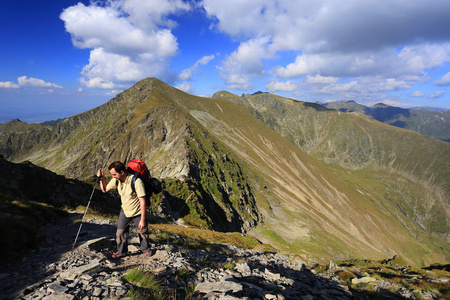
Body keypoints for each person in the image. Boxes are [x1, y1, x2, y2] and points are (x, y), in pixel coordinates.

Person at [97, 161, 152, 258]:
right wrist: (101, 178)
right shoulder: (116, 180)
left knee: (142, 231)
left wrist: (142, 219)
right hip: (125, 210)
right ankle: (121, 252)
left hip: (137, 211)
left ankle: (146, 249)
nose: (113, 176)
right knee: (120, 232)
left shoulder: (136, 181)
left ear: (122, 172)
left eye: (114, 174)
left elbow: (142, 201)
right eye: (112, 174)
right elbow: (104, 189)